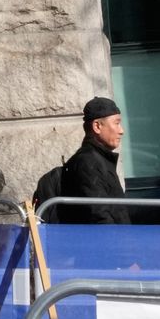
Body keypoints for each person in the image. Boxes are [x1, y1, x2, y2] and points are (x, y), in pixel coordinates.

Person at [59, 96, 129, 225]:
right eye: (116, 123)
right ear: (97, 126)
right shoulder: (88, 163)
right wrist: (121, 237)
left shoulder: (99, 159)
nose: (121, 131)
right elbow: (98, 216)